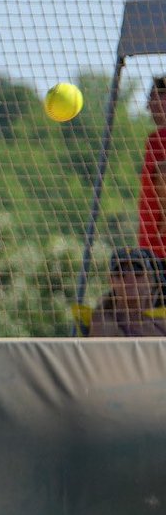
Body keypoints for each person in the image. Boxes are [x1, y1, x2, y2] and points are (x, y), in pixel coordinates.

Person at [88, 246, 166, 337]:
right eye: (120, 272)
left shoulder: (160, 323)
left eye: (137, 271)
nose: (129, 277)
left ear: (150, 280)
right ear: (111, 281)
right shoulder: (103, 321)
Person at [138, 76, 166, 260]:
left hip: (158, 246)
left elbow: (164, 174)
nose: (148, 106)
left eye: (153, 97)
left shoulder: (160, 138)